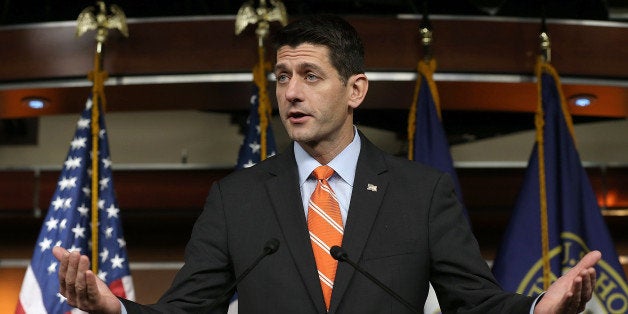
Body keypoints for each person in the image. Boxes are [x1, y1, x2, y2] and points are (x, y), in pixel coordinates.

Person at [53, 14, 600, 313]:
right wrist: (115, 311)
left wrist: (536, 311)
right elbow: (187, 312)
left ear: (356, 88)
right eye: (282, 78)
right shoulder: (235, 198)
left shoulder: (421, 193)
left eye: (310, 76)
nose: (291, 93)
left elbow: (476, 304)